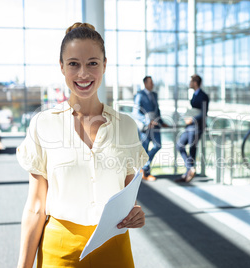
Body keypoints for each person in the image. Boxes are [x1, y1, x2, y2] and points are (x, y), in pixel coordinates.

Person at [16, 22, 149, 268]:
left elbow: (129, 200)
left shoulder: (126, 127)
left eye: (92, 63)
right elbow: (35, 208)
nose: (83, 74)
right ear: (62, 67)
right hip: (59, 250)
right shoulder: (43, 125)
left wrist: (136, 215)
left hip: (114, 248)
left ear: (105, 65)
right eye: (74, 64)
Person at [133, 76, 168, 181]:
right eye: (150, 82)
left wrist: (161, 122)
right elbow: (135, 112)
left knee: (158, 145)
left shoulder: (154, 95)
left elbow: (158, 110)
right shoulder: (140, 95)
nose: (152, 84)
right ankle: (145, 172)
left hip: (156, 125)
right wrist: (147, 121)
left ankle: (143, 168)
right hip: (146, 127)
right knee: (145, 147)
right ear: (145, 83)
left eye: (152, 82)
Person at [176, 74, 209, 183]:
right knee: (180, 145)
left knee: (192, 149)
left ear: (195, 83)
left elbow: (204, 113)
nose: (189, 84)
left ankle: (188, 173)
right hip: (190, 126)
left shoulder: (203, 96)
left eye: (190, 81)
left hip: (196, 127)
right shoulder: (195, 95)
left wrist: (192, 119)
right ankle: (190, 169)